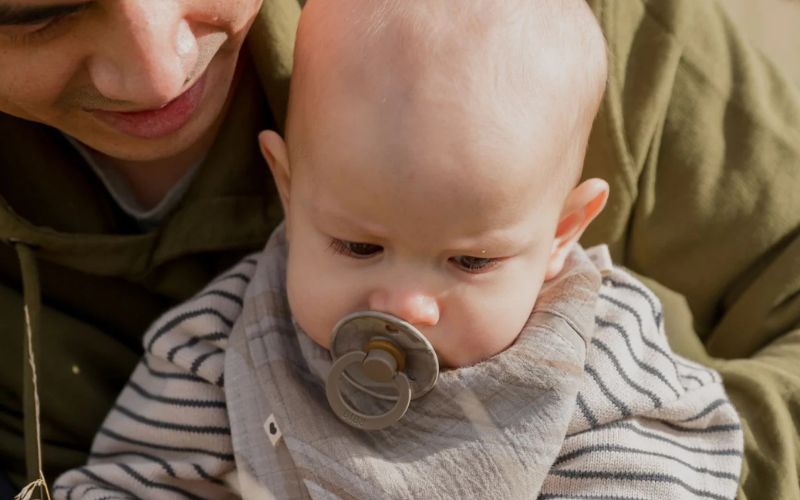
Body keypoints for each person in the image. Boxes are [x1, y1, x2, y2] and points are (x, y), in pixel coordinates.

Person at [0, 0, 797, 498]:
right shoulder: (231, 338)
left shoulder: (595, 348)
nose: (405, 305)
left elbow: (660, 472)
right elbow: (138, 476)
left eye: (471, 262)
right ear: (288, 186)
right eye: (35, 13)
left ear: (563, 231)